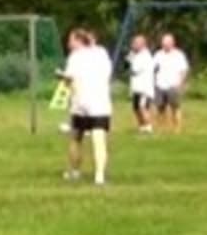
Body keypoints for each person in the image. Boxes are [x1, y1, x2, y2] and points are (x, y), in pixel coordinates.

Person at [59, 28, 114, 186]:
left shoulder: (75, 57)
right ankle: (99, 175)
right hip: (101, 103)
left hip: (81, 103)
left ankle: (75, 171)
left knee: (76, 138)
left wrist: (62, 77)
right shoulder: (102, 53)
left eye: (71, 40)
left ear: (78, 41)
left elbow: (69, 79)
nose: (69, 44)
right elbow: (107, 73)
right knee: (99, 139)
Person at [153, 32, 190, 133]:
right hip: (160, 85)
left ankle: (177, 128)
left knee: (175, 107)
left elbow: (184, 70)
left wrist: (181, 84)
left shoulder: (179, 55)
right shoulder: (158, 54)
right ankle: (161, 128)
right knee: (160, 108)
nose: (165, 45)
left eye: (167, 43)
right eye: (163, 43)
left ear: (173, 43)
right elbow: (153, 68)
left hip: (173, 85)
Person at [125, 34, 156, 134]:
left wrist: (129, 70)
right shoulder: (134, 54)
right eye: (133, 43)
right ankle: (142, 127)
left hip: (144, 88)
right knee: (136, 108)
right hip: (136, 87)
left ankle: (148, 127)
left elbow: (134, 70)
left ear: (143, 44)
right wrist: (130, 55)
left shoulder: (145, 56)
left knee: (142, 107)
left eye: (136, 43)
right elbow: (126, 65)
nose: (133, 45)